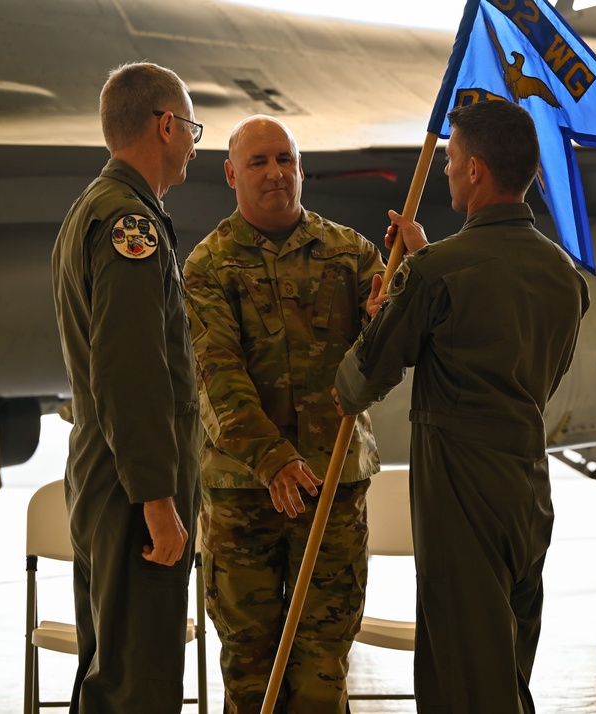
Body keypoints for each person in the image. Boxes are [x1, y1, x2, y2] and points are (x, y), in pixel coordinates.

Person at [334, 100, 590, 713]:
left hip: (460, 496)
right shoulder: (564, 276)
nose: (445, 171)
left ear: (475, 170)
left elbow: (354, 386)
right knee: (505, 673)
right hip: (527, 492)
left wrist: (392, 305)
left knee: (465, 687)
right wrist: (421, 268)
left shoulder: (437, 273)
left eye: (450, 160)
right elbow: (531, 370)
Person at [183, 115, 386, 713]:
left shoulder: (353, 254)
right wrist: (272, 460)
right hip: (244, 498)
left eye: (285, 160)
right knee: (251, 676)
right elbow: (217, 377)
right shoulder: (208, 266)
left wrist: (395, 306)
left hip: (331, 492)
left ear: (301, 168)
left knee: (324, 671)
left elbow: (392, 350)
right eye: (258, 163)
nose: (275, 173)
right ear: (230, 175)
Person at [51, 61, 202, 714]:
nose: (195, 143)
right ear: (166, 125)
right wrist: (157, 500)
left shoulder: (94, 209)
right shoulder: (128, 225)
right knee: (139, 683)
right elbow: (130, 370)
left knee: (110, 674)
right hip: (132, 488)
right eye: (192, 127)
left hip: (104, 474)